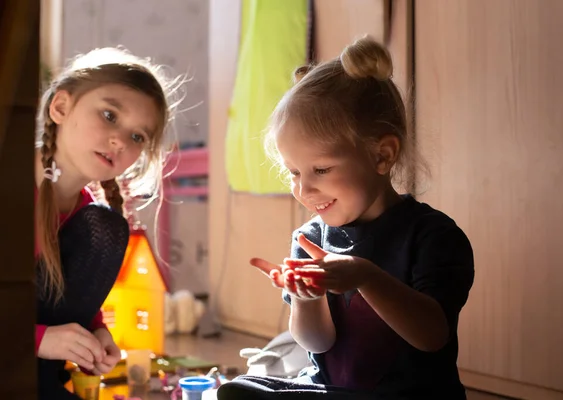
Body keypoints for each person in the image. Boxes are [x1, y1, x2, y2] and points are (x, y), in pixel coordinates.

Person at [217, 37, 475, 399]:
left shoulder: (433, 235)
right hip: (331, 389)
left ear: (382, 156)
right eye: (294, 172)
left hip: (409, 395)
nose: (304, 189)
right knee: (236, 392)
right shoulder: (310, 238)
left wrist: (365, 275)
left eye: (320, 169)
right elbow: (317, 343)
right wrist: (306, 298)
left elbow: (432, 336)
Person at [34, 47, 182, 399]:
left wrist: (95, 330)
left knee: (106, 226)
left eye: (137, 137)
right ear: (60, 107)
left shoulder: (89, 215)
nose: (120, 140)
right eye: (109, 115)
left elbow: (62, 294)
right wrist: (41, 339)